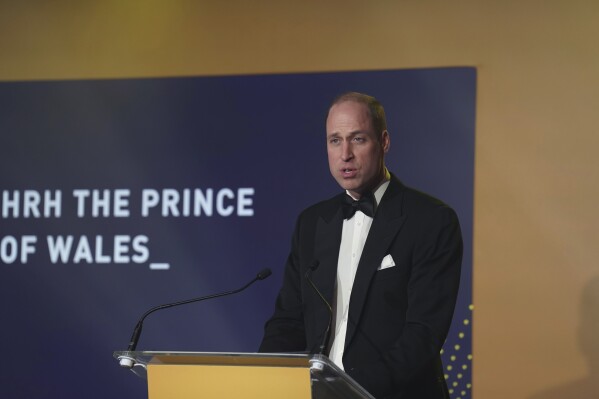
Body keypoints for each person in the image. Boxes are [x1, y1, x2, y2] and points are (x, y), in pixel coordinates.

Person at [259, 92, 463, 399]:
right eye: (334, 141)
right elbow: (288, 321)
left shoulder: (431, 220)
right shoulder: (312, 222)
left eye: (357, 139)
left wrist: (349, 392)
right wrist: (263, 380)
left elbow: (423, 334)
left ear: (384, 142)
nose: (345, 154)